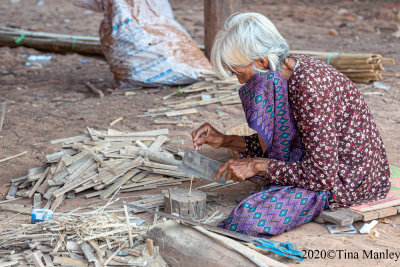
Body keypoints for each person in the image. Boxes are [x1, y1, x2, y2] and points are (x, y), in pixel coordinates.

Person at [191, 12, 391, 238]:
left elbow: (321, 176)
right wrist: (224, 140)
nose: (239, 81)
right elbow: (279, 143)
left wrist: (258, 165)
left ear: (261, 62)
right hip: (318, 163)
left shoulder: (309, 89)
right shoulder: (285, 72)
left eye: (240, 73)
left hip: (347, 177)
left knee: (246, 220)